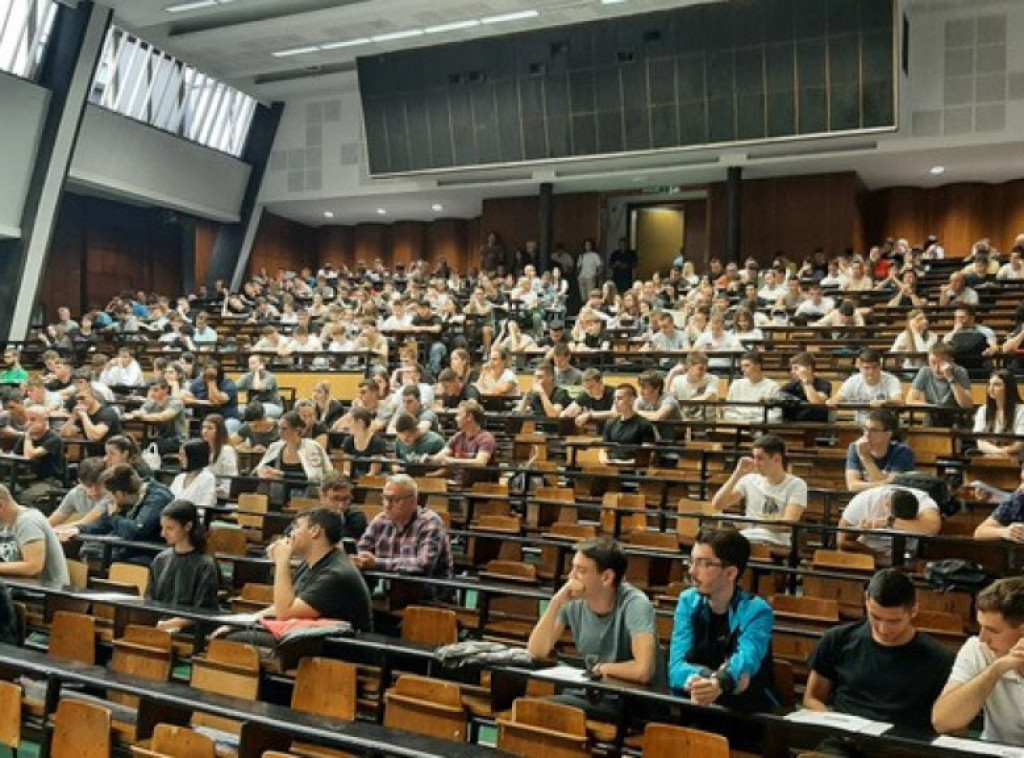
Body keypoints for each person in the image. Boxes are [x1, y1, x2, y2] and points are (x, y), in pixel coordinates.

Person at [527, 537, 658, 710]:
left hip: (630, 700)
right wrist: (555, 603)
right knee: (533, 708)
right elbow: (537, 652)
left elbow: (643, 670)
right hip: (594, 692)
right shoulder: (572, 601)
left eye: (581, 570)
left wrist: (603, 668)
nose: (571, 576)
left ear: (606, 577)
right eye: (572, 567)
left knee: (539, 710)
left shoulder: (635, 604)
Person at [224, 508, 373, 644]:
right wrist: (246, 620)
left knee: (233, 640)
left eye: (296, 527)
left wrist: (282, 561)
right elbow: (287, 605)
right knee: (232, 632)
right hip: (312, 635)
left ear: (315, 531)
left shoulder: (337, 573)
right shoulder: (310, 563)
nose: (290, 534)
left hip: (341, 646)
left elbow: (285, 613)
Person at [669, 529, 777, 711]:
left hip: (746, 713)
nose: (692, 571)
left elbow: (746, 660)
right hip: (699, 704)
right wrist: (706, 679)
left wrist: (720, 682)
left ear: (730, 573)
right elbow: (676, 668)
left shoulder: (757, 611)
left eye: (704, 564)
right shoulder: (687, 601)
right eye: (691, 561)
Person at [932, 577, 1024, 744]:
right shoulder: (977, 648)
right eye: (980, 627)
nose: (983, 638)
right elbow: (943, 722)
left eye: (992, 630)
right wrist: (997, 668)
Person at [353, 474, 453, 582]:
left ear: (413, 501)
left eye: (395, 500)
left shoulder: (429, 522)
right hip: (390, 587)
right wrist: (360, 559)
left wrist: (377, 563)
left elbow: (423, 564)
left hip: (427, 591)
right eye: (385, 498)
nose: (387, 505)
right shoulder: (381, 519)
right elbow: (361, 549)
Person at [711, 434, 807, 547]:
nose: (755, 463)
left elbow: (787, 524)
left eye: (760, 458)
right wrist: (737, 473)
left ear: (777, 459)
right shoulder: (749, 479)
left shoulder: (797, 485)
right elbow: (718, 504)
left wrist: (751, 523)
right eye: (754, 457)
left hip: (775, 540)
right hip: (746, 537)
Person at [69, 464, 175, 563]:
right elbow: (104, 523)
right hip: (128, 549)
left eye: (110, 494)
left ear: (119, 494)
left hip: (151, 553)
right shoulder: (124, 501)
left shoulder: (158, 498)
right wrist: (79, 529)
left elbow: (137, 531)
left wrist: (114, 517)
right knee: (86, 550)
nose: (110, 499)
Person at [147, 500, 221, 633]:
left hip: (192, 631)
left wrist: (171, 624)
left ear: (187, 526)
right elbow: (151, 600)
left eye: (170, 528)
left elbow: (204, 610)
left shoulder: (206, 565)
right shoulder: (160, 560)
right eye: (162, 528)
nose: (163, 534)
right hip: (161, 625)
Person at [837, 486, 941, 563]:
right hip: (867, 558)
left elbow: (932, 529)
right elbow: (841, 542)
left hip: (907, 560)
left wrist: (890, 521)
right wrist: (874, 554)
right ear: (886, 505)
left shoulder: (924, 503)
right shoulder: (864, 501)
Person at [0, 485, 69, 584]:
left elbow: (33, 567)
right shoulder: (5, 524)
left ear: (1, 505)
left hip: (44, 592)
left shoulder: (28, 521)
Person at [427, 400, 497, 487]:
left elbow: (480, 463)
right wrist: (428, 458)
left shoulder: (486, 438)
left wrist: (452, 461)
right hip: (455, 484)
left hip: (477, 487)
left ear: (469, 417)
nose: (456, 418)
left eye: (459, 415)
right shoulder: (458, 437)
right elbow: (440, 456)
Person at [845, 409, 915, 492]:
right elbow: (852, 487)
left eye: (873, 430)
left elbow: (892, 489)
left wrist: (865, 457)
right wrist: (884, 482)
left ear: (888, 434)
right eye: (865, 429)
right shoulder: (855, 447)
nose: (867, 434)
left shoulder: (902, 452)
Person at [828, 349, 904, 425]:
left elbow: (899, 401)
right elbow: (837, 398)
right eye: (866, 368)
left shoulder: (892, 380)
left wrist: (885, 402)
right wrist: (832, 401)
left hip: (886, 425)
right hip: (861, 424)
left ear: (880, 366)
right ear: (860, 368)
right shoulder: (852, 381)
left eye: (874, 367)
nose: (871, 372)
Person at [11, 404, 66, 509]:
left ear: (44, 421)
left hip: (49, 481)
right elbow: (14, 456)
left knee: (23, 498)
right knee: (7, 492)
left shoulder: (54, 438)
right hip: (25, 479)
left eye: (33, 419)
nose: (28, 423)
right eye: (27, 419)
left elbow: (30, 455)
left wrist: (28, 437)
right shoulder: (25, 437)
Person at [256, 410, 333, 484]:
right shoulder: (275, 446)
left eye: (284, 429)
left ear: (297, 430)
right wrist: (264, 472)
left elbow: (315, 477)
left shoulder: (311, 447)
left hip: (307, 494)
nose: (280, 432)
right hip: (279, 494)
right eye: (279, 428)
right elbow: (260, 469)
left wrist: (283, 474)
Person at [906, 343, 973, 426]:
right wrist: (933, 407)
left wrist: (951, 378)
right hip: (932, 415)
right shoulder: (925, 371)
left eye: (941, 363)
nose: (936, 368)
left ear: (951, 362)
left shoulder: (960, 372)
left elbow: (967, 405)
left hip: (955, 417)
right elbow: (910, 400)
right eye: (933, 363)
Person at [123, 378, 188, 455]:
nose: (152, 393)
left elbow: (162, 417)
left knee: (150, 449)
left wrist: (142, 416)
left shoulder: (176, 402)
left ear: (166, 389)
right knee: (136, 447)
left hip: (177, 440)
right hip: (161, 438)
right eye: (151, 390)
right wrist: (135, 414)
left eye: (156, 390)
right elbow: (140, 412)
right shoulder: (152, 402)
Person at [972, 369, 1024, 458]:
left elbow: (1020, 442)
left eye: (997, 385)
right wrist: (999, 452)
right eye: (989, 384)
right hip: (989, 457)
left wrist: (1006, 451)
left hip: (1016, 458)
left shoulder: (1021, 411)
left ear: (1008, 387)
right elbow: (980, 442)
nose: (991, 389)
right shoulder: (983, 410)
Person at [599, 384, 657, 465]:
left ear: (631, 400)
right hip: (612, 465)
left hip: (633, 468)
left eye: (619, 398)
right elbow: (604, 449)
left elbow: (647, 455)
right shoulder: (610, 423)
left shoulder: (644, 424)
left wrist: (628, 464)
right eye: (614, 398)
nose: (615, 402)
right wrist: (604, 459)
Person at [59, 383, 121, 457]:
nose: (79, 402)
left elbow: (95, 436)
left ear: (93, 396)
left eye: (82, 398)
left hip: (112, 456)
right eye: (77, 399)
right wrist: (73, 418)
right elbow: (65, 434)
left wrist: (84, 416)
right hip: (93, 458)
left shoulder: (107, 413)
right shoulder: (83, 415)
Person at [48, 457, 109, 528]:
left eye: (99, 485)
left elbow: (87, 522)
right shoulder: (76, 493)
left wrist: (59, 529)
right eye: (89, 486)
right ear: (80, 482)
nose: (94, 492)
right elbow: (50, 522)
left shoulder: (112, 495)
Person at [723, 352, 780, 423]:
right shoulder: (736, 385)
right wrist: (741, 420)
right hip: (738, 423)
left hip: (760, 425)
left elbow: (776, 413)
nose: (742, 369)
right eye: (742, 366)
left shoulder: (772, 386)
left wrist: (755, 421)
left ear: (758, 366)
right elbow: (728, 409)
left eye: (747, 366)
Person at [776, 352, 831, 423]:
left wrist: (805, 381)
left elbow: (817, 403)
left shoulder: (824, 383)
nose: (792, 372)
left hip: (817, 426)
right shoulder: (789, 386)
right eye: (792, 369)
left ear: (809, 368)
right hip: (794, 426)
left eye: (796, 368)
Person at [974, 464, 1024, 542]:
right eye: (1023, 481)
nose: (1022, 487)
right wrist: (1005, 532)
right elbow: (979, 532)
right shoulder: (1018, 498)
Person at [317, 472, 367, 541]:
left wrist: (340, 523)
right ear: (322, 497)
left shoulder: (357, 518)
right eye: (335, 498)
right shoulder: (313, 518)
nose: (341, 505)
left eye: (346, 498)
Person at [340, 407, 385, 479]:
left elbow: (373, 472)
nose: (346, 425)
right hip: (354, 477)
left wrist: (359, 482)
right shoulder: (348, 441)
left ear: (360, 422)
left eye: (349, 421)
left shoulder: (377, 442)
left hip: (372, 481)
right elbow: (347, 470)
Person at [169, 440, 217, 507]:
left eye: (184, 455)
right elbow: (169, 500)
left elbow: (205, 505)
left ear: (194, 457)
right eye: (179, 455)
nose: (180, 458)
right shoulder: (179, 477)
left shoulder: (208, 478)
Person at [202, 414, 239, 499]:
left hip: (219, 497)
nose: (205, 431)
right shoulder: (203, 449)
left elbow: (229, 482)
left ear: (219, 431)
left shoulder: (227, 450)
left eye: (209, 428)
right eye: (203, 427)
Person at [235, 354, 283, 418]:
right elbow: (234, 388)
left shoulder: (270, 376)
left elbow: (258, 387)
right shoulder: (246, 376)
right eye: (249, 364)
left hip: (272, 405)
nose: (250, 366)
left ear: (262, 364)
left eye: (253, 363)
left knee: (257, 412)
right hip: (252, 406)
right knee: (236, 411)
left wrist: (257, 372)